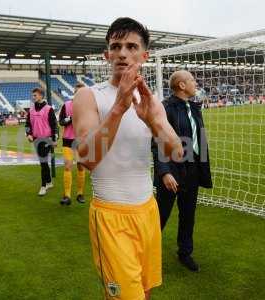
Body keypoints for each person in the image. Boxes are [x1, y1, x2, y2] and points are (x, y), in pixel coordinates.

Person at [73, 17, 182, 300]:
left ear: (144, 56)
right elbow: (87, 159)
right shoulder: (88, 95)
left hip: (147, 210)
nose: (123, 53)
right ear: (106, 54)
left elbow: (176, 152)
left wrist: (154, 122)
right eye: (116, 46)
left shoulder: (150, 99)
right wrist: (119, 109)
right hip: (111, 215)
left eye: (131, 46)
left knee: (144, 291)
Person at [152, 70, 212, 272]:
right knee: (160, 215)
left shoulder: (194, 108)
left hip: (192, 170)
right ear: (182, 85)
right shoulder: (165, 108)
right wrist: (165, 172)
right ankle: (146, 253)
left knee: (188, 214)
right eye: (193, 80)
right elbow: (157, 142)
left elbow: (199, 140)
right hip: (172, 170)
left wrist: (200, 167)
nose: (196, 84)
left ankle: (185, 252)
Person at [25, 87, 58, 196]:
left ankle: (43, 186)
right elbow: (27, 124)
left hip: (46, 139)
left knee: (43, 162)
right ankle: (49, 182)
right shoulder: (31, 110)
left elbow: (54, 125)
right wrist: (28, 134)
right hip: (36, 139)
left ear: (41, 96)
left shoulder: (49, 109)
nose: (33, 97)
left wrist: (54, 139)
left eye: (35, 95)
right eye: (33, 95)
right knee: (43, 163)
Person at [58, 82, 86, 205]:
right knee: (67, 166)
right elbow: (61, 122)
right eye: (77, 92)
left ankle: (80, 193)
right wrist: (69, 118)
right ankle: (67, 196)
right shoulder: (66, 105)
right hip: (68, 140)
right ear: (74, 93)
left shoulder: (88, 107)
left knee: (80, 166)